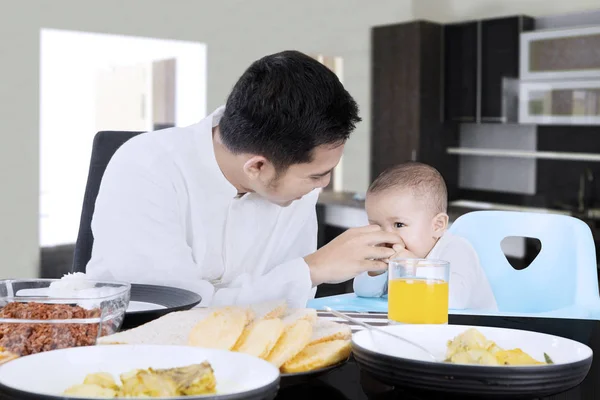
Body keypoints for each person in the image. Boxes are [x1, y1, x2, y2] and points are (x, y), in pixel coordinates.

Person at [85, 50, 401, 308]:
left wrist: (309, 275)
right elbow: (173, 311)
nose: (324, 184)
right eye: (316, 175)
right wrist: (313, 268)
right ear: (257, 167)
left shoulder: (296, 191)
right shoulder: (146, 168)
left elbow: (289, 305)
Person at [353, 162, 497, 311]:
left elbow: (455, 301)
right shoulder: (386, 251)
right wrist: (375, 270)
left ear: (438, 225)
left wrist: (413, 267)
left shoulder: (457, 250)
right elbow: (363, 293)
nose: (386, 236)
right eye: (377, 226)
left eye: (399, 225)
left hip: (472, 329)